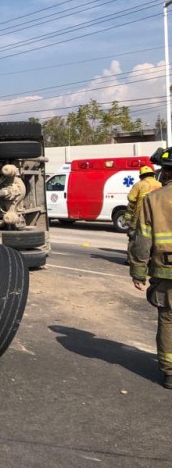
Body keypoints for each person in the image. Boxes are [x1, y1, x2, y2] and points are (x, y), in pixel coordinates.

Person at [128, 147, 172, 389]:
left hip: (166, 271)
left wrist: (138, 271)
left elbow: (143, 240)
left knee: (168, 319)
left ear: (165, 173)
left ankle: (169, 372)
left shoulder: (153, 200)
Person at [125, 165, 161, 257]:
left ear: (141, 176)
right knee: (153, 238)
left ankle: (131, 259)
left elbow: (131, 199)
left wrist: (128, 218)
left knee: (133, 237)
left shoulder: (139, 185)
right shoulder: (160, 184)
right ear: (152, 175)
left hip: (140, 216)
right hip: (156, 216)